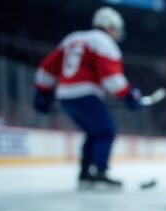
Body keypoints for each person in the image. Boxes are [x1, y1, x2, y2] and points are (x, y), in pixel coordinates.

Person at [33, 7, 142, 189]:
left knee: (93, 133)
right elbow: (111, 78)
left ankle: (85, 172)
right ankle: (100, 172)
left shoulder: (73, 38)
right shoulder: (104, 42)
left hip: (65, 95)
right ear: (111, 26)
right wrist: (129, 94)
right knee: (107, 131)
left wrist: (42, 91)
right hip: (86, 93)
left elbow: (47, 67)